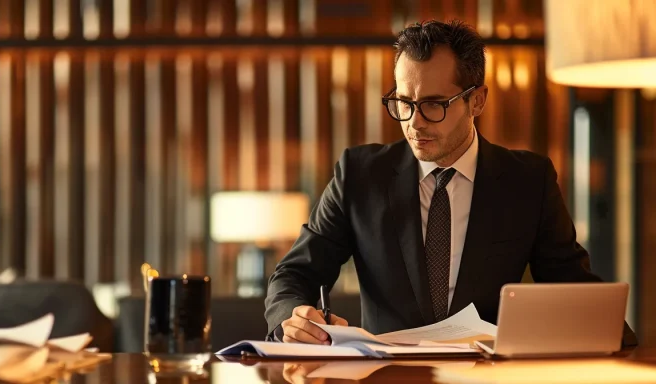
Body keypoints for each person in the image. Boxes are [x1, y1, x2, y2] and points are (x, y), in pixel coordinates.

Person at [264, 19, 637, 346]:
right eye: (403, 102)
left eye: (433, 104)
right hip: (387, 377)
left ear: (476, 101)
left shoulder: (528, 181)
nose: (414, 122)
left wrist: (620, 340)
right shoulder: (360, 175)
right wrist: (291, 318)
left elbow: (572, 289)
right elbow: (295, 274)